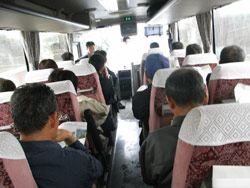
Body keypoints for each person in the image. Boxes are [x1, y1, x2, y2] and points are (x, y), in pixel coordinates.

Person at [10, 84, 103, 188]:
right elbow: (97, 168)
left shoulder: (6, 161)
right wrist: (70, 138)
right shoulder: (73, 159)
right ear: (54, 118)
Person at [139, 68, 208, 188]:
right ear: (205, 98)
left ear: (169, 103)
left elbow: (148, 178)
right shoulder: (228, 137)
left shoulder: (155, 141)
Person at [132, 54, 169, 143]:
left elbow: (137, 115)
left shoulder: (141, 95)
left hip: (152, 140)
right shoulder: (183, 91)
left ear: (147, 76)